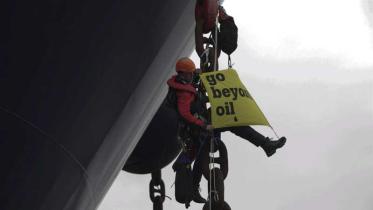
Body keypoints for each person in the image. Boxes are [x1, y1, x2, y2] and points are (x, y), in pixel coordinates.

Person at [168, 58, 287, 204]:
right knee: (225, 131)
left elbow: (196, 90)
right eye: (189, 74)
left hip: (201, 122)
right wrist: (204, 125)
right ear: (182, 74)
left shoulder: (185, 83)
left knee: (226, 129)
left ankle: (265, 144)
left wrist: (202, 74)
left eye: (191, 74)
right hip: (198, 127)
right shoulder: (183, 94)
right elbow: (185, 114)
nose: (191, 76)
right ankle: (265, 144)